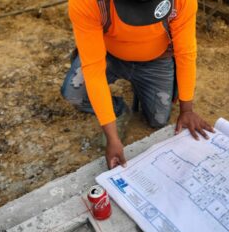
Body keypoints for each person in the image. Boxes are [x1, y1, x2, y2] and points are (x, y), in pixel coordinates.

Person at [62, 0, 214, 169]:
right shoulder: (88, 3)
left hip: (157, 60)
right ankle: (119, 110)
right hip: (108, 56)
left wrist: (187, 110)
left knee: (158, 120)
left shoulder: (181, 2)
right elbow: (94, 71)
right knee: (74, 94)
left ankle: (142, 86)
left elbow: (185, 53)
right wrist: (112, 138)